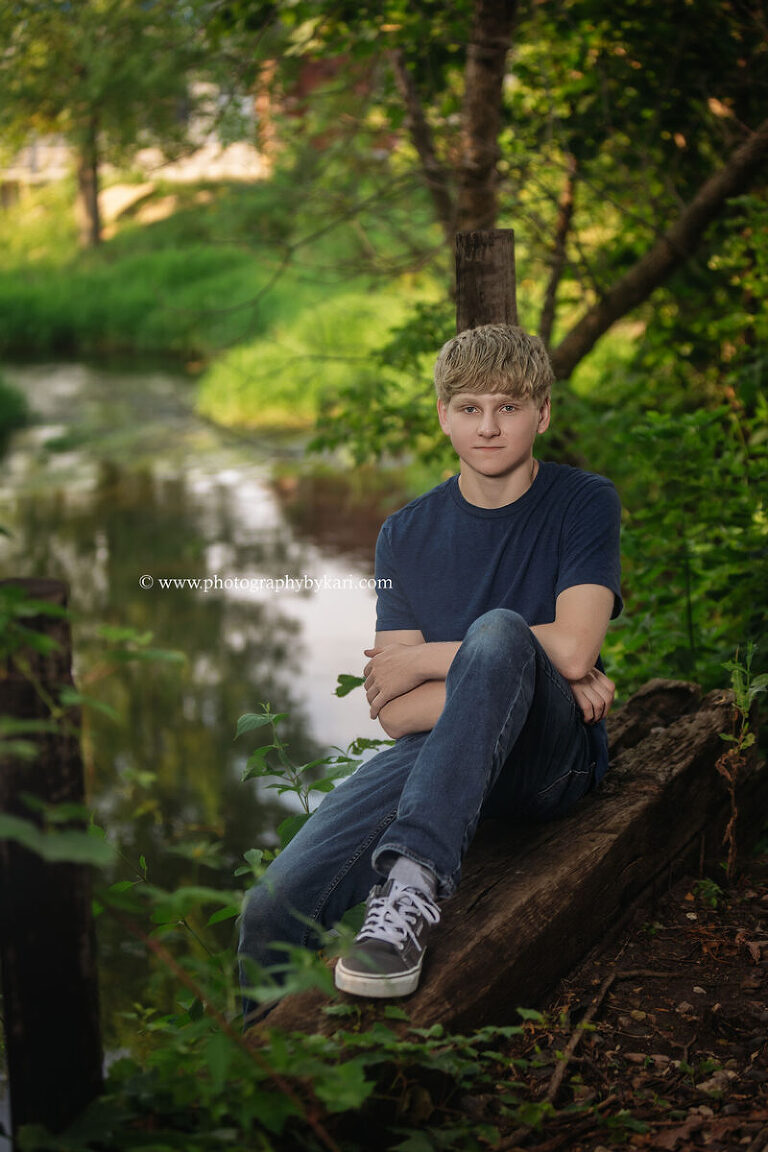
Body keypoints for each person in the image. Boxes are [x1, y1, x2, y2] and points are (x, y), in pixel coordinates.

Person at [238, 323, 622, 1015]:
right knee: (272, 908)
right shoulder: (404, 534)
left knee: (501, 631)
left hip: (551, 764)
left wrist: (432, 659)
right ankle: (253, 1087)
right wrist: (522, 678)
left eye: (509, 406)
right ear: (443, 415)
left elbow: (572, 651)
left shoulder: (583, 501)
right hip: (439, 753)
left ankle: (411, 884)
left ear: (543, 412)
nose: (489, 427)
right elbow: (395, 714)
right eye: (469, 408)